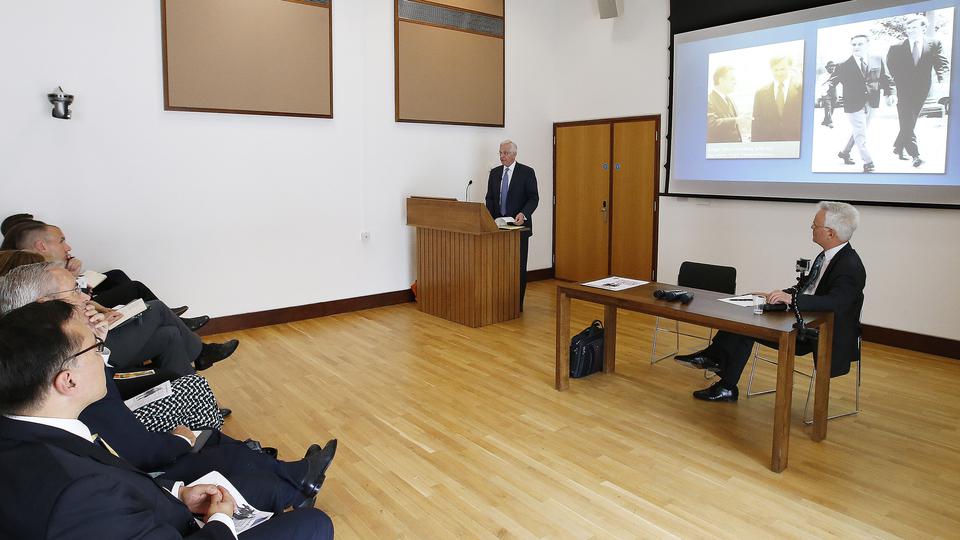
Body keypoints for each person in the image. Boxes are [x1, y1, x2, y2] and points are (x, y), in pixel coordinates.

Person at [0, 300, 334, 538]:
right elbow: (113, 482)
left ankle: (296, 483)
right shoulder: (77, 493)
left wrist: (177, 493)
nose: (103, 356)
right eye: (96, 348)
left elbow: (116, 485)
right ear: (68, 381)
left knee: (261, 484)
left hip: (161, 508)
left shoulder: (26, 430)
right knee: (314, 524)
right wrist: (219, 522)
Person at [674, 201, 866, 402]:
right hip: (802, 318)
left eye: (815, 225)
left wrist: (792, 299)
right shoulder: (827, 256)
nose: (811, 227)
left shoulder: (849, 265)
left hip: (817, 334)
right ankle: (719, 371)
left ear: (830, 233)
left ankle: (716, 365)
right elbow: (806, 288)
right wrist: (778, 295)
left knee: (747, 327)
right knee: (744, 313)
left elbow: (835, 303)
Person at [1, 219, 200, 326]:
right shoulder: (33, 271)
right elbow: (73, 301)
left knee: (115, 275)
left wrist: (74, 276)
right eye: (62, 241)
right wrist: (74, 278)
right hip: (81, 313)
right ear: (41, 246)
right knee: (135, 288)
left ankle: (169, 319)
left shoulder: (32, 266)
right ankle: (171, 320)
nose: (68, 247)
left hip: (81, 302)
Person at [886, 15, 950, 168]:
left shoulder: (934, 43)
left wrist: (943, 80)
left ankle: (899, 146)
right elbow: (890, 68)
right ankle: (915, 155)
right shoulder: (896, 47)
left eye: (914, 27)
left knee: (910, 120)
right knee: (906, 118)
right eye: (908, 28)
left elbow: (941, 64)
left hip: (922, 89)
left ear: (923, 28)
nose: (910, 30)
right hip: (902, 89)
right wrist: (893, 89)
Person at [826, 34, 895, 173]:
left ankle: (845, 152)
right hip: (853, 103)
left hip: (872, 101)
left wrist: (891, 93)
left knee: (860, 131)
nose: (856, 47)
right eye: (854, 44)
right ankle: (868, 161)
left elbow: (886, 78)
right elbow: (831, 81)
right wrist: (826, 91)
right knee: (861, 133)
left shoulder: (877, 59)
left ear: (867, 45)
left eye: (860, 44)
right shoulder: (843, 64)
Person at [485, 140, 539, 309]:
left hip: (519, 228)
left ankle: (516, 304)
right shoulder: (494, 173)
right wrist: (490, 220)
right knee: (499, 266)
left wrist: (524, 213)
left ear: (514, 154)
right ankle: (500, 303)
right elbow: (490, 198)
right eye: (500, 153)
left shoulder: (527, 172)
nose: (502, 156)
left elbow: (533, 198)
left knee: (517, 267)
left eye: (506, 153)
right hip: (498, 228)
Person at [751, 56, 803, 142]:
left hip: (795, 143)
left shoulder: (801, 90)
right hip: (770, 144)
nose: (779, 73)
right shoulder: (760, 93)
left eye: (782, 69)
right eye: (776, 70)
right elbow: (756, 124)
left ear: (789, 68)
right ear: (771, 70)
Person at [706, 65, 745, 143]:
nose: (735, 82)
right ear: (721, 80)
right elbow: (711, 124)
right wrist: (736, 120)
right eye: (732, 79)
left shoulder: (730, 99)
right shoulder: (708, 100)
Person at [818, 61, 838, 128]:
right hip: (825, 93)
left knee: (832, 107)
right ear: (827, 68)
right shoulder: (822, 76)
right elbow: (819, 86)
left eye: (833, 66)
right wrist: (820, 96)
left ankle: (825, 121)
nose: (832, 68)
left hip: (833, 94)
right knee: (828, 107)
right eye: (830, 66)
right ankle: (829, 122)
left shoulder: (836, 75)